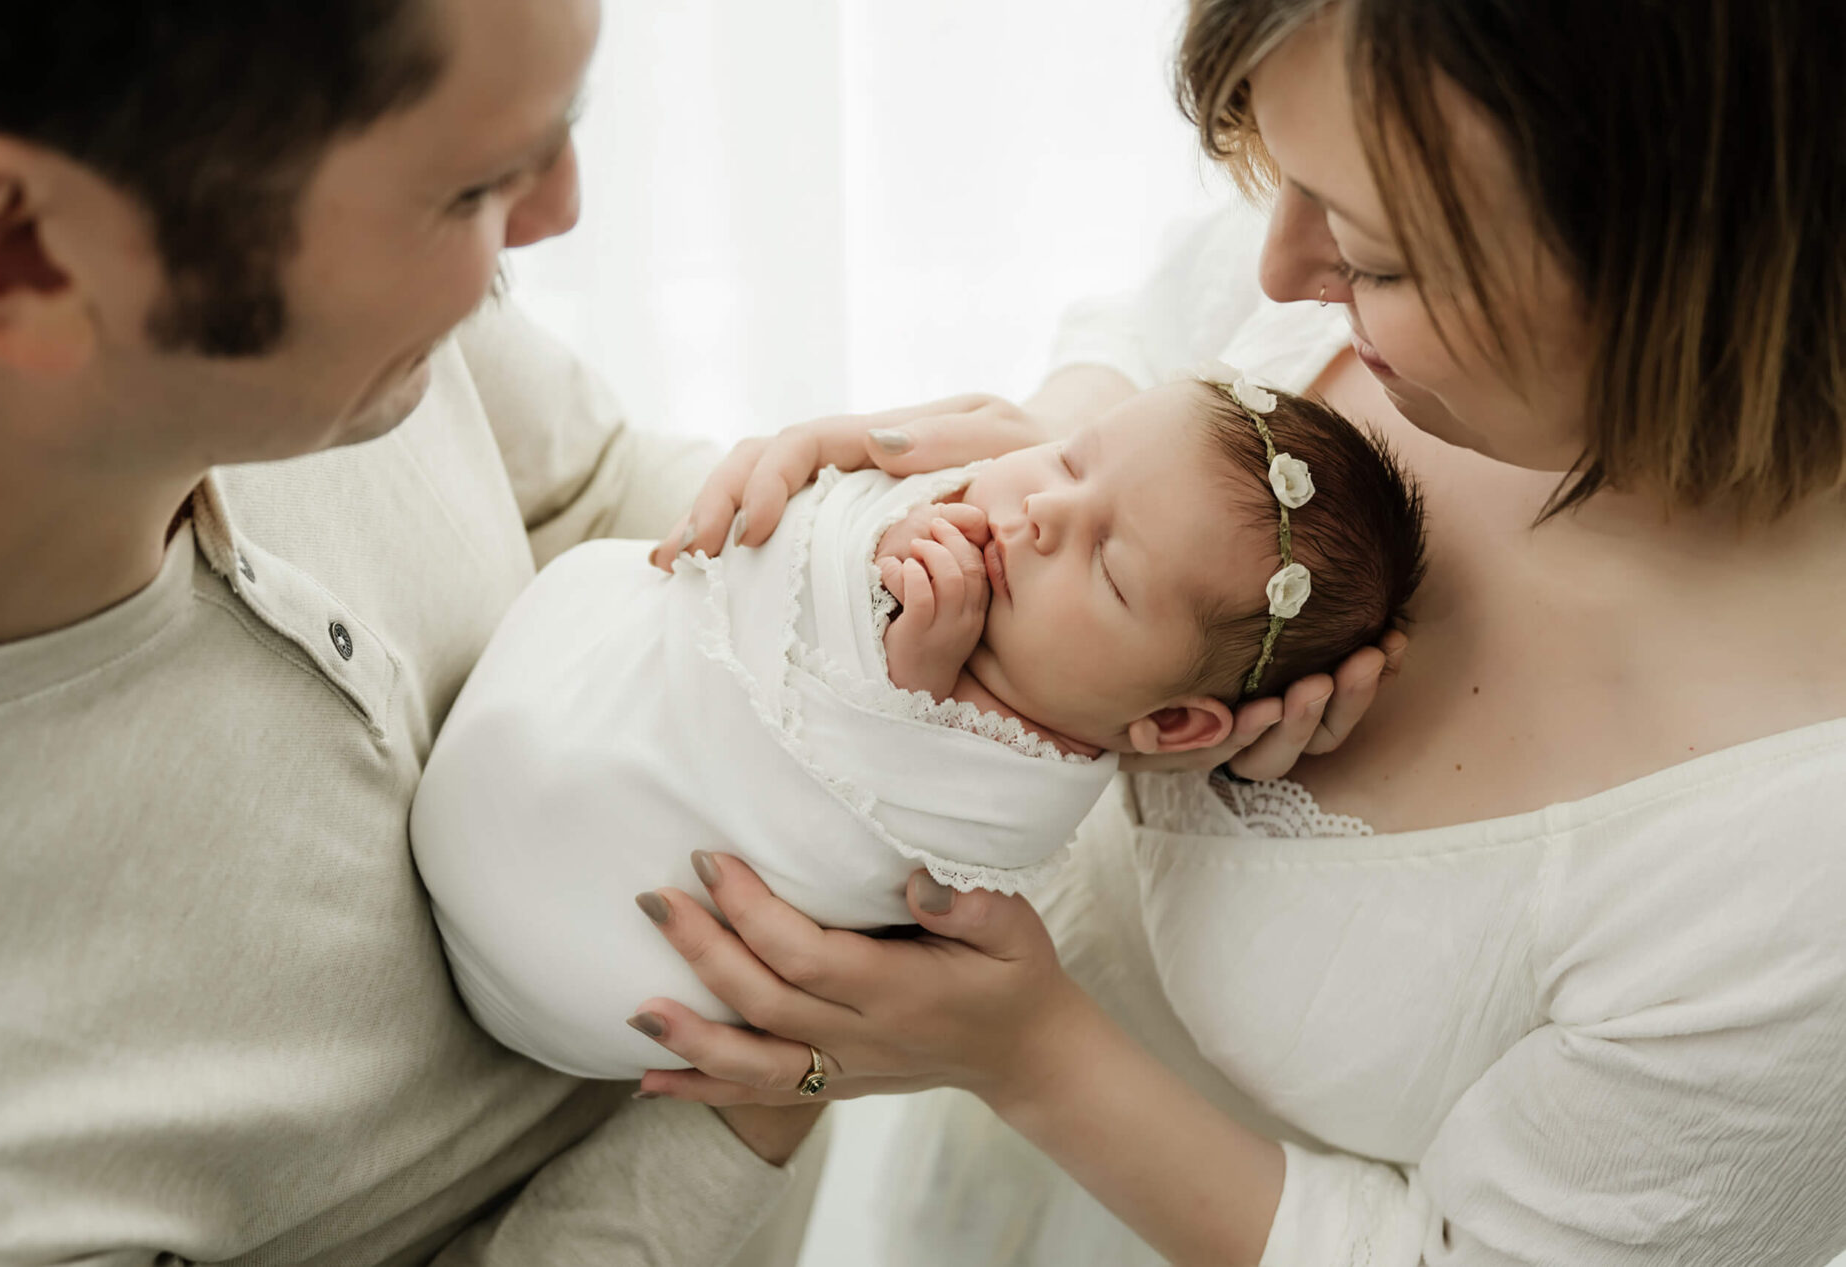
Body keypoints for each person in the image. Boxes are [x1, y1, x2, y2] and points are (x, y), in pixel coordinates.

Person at [621, 1, 1846, 1263]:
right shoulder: (1384, 206)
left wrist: (1029, 1057)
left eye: (1373, 256)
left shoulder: (1797, 865)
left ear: (1676, 264)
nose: (1282, 271)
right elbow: (1159, 326)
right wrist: (1048, 453)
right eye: (1281, 180)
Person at [0, 2, 839, 1261]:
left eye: (562, 128)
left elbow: (596, 493)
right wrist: (774, 1086)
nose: (558, 213)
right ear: (20, 256)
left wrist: (878, 531)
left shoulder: (354, 343)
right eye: (472, 187)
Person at [408, 375, 1424, 1081]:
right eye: (1073, 459)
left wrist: (909, 686)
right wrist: (865, 511)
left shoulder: (1030, 789)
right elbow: (817, 518)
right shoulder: (990, 513)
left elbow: (883, 845)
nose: (1042, 511)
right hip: (552, 705)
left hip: (577, 942)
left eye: (1107, 570)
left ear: (1165, 721)